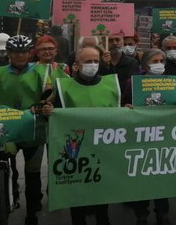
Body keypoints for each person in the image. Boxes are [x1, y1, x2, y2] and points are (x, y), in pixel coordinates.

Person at [48, 45, 120, 225]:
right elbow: (56, 112)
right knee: (77, 192)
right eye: (88, 61)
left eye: (96, 61)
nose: (93, 65)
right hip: (75, 149)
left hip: (103, 147)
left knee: (102, 191)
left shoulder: (111, 84)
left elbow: (119, 112)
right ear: (76, 65)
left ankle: (104, 220)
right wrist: (50, 111)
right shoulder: (64, 88)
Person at [0, 35, 51, 225]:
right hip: (6, 127)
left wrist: (42, 104)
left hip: (34, 127)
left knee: (33, 173)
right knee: (8, 166)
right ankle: (11, 192)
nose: (20, 55)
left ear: (30, 52)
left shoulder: (41, 71)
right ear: (9, 53)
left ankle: (32, 212)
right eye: (15, 51)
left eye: (24, 51)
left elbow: (50, 93)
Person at [131, 48, 171, 225]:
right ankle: (142, 214)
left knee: (162, 176)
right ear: (145, 64)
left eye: (161, 61)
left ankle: (162, 213)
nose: (159, 65)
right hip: (142, 137)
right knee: (142, 178)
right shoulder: (134, 83)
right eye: (154, 62)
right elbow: (124, 103)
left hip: (165, 136)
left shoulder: (172, 83)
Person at [99, 34, 138, 105]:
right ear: (104, 43)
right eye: (110, 40)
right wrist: (104, 66)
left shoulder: (132, 63)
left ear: (122, 42)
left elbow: (133, 87)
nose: (114, 43)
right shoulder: (99, 63)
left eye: (117, 40)